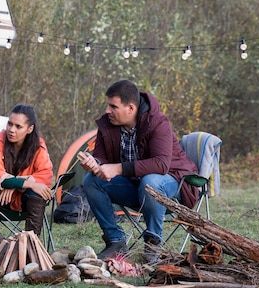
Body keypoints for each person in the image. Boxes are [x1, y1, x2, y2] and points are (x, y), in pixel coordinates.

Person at [79, 79, 198, 262]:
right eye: (108, 105)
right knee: (91, 181)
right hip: (136, 186)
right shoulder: (107, 124)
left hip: (172, 183)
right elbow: (102, 157)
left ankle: (153, 244)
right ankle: (116, 242)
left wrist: (117, 168)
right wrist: (94, 163)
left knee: (150, 181)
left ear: (131, 108)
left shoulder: (157, 123)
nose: (107, 111)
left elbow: (161, 165)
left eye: (113, 106)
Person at [0, 104, 53, 256]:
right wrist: (26, 182)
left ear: (29, 129)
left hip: (25, 199)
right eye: (10, 124)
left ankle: (31, 244)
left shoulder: (38, 146)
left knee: (38, 192)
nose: (12, 129)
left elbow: (45, 175)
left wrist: (16, 184)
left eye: (18, 126)